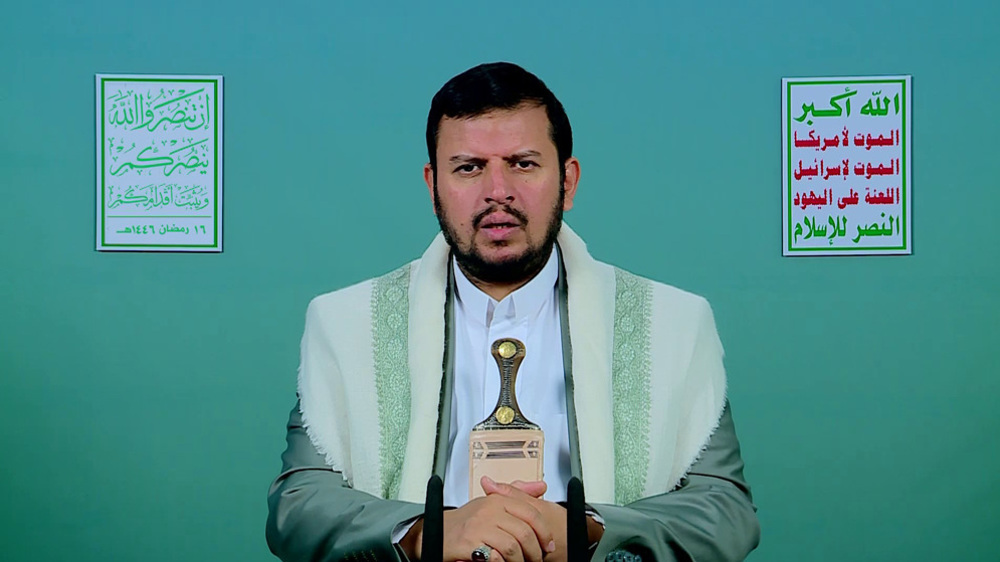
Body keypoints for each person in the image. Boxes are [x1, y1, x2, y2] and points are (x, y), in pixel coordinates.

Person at [266, 62, 760, 562]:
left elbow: (724, 510)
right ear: (432, 184)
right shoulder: (347, 323)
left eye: (522, 163)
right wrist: (426, 532)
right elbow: (298, 507)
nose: (497, 191)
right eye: (469, 167)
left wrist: (586, 529)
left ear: (567, 181)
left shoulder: (671, 322)